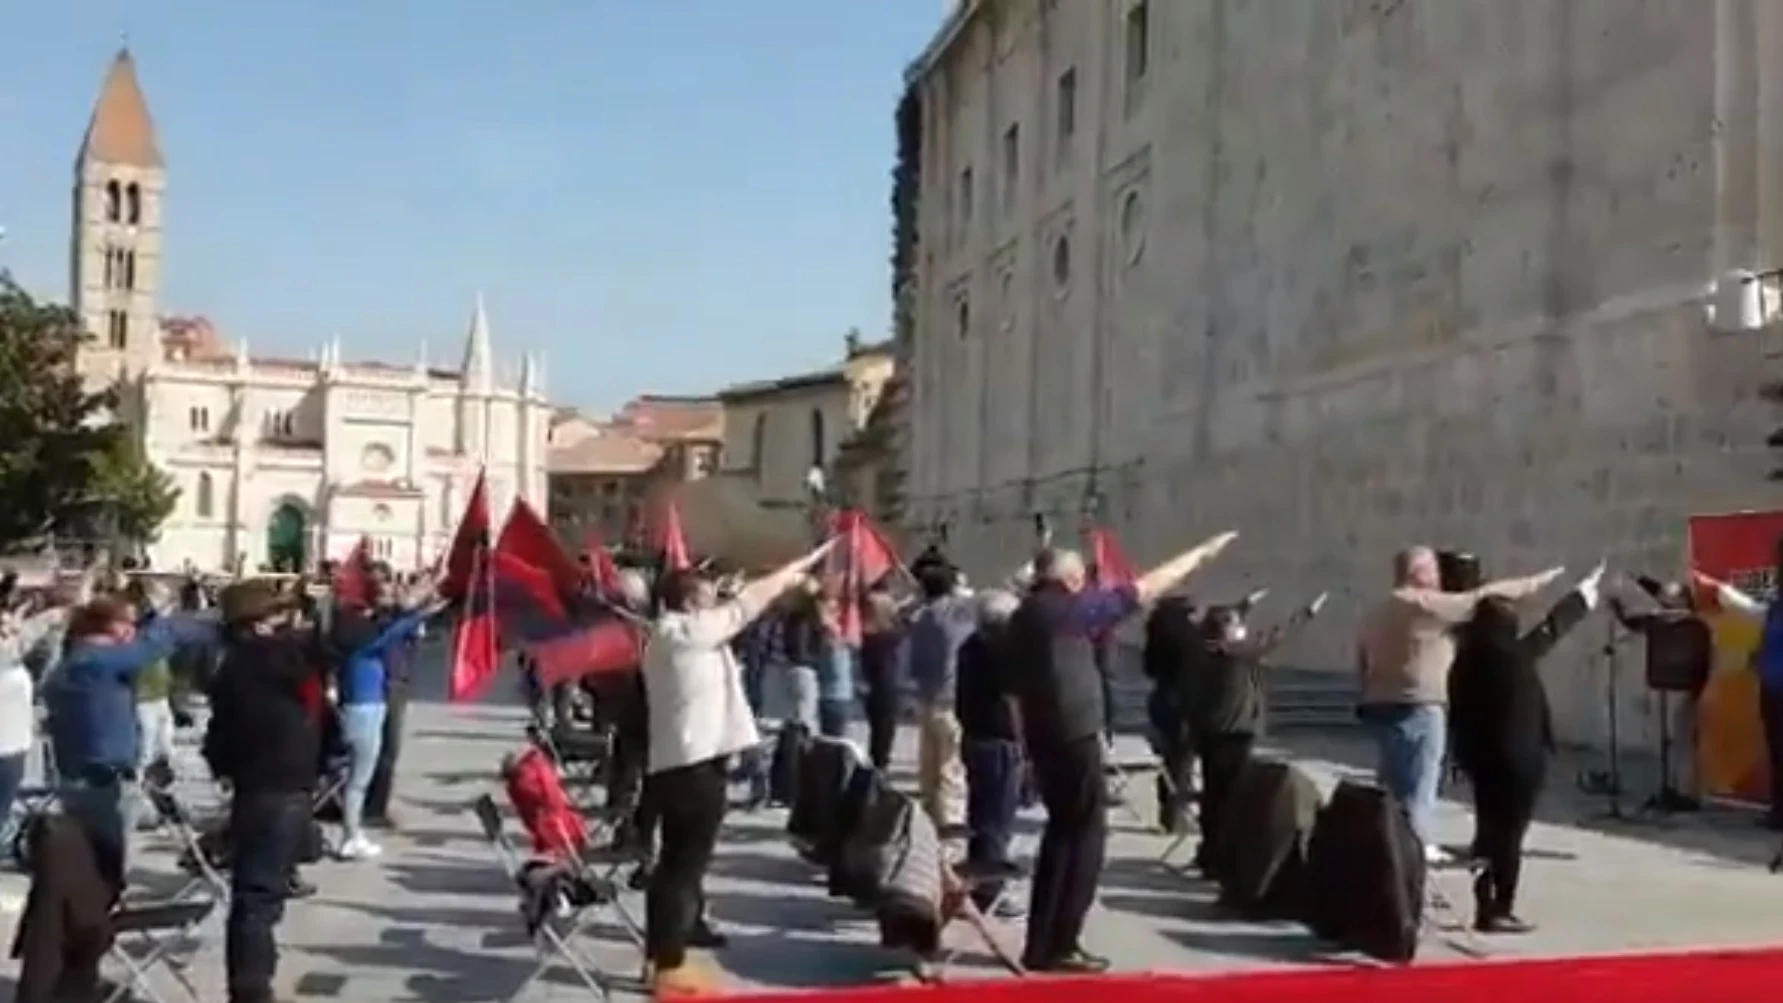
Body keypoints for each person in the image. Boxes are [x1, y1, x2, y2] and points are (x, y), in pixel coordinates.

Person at [1003, 532, 1239, 973]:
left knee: (1061, 835)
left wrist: (1026, 749)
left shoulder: (1024, 616)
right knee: (1085, 837)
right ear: (1072, 580)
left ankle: (1042, 942)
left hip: (1044, 733)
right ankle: (1062, 942)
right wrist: (1200, 554)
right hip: (1074, 732)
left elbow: (1014, 692)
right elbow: (1143, 589)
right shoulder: (1067, 609)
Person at [638, 541, 834, 996]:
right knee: (683, 868)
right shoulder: (681, 633)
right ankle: (668, 964)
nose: (715, 601)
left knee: (677, 866)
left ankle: (662, 957)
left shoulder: (679, 632)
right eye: (707, 596)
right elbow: (744, 606)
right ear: (689, 601)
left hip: (689, 762)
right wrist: (788, 573)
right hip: (692, 766)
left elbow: (736, 610)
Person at [1355, 547, 1564, 862]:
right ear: (1419, 574)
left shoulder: (1378, 611)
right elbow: (1479, 598)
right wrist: (1534, 583)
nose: (1439, 578)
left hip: (1381, 705)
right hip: (1418, 706)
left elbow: (1361, 661)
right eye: (1433, 571)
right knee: (1419, 789)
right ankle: (1413, 857)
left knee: (1394, 785)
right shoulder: (1422, 603)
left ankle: (1388, 851)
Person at [1448, 563, 1601, 933]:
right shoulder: (1511, 657)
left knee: (1489, 830)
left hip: (1481, 759)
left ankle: (1486, 898)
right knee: (1510, 834)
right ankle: (1500, 906)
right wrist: (1582, 597)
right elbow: (1548, 632)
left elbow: (1546, 632)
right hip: (1518, 761)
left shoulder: (1466, 661)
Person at [203, 578, 326, 1003]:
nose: (283, 621)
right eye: (275, 615)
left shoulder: (236, 664)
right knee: (257, 896)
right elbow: (330, 646)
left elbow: (217, 740)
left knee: (260, 894)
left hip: (261, 786)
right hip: (278, 788)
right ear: (255, 624)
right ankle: (251, 990)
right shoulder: (268, 658)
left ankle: (254, 980)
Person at [46, 593, 216, 889]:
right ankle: (93, 920)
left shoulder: (84, 659)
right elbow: (154, 645)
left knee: (103, 860)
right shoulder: (91, 660)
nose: (133, 630)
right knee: (103, 865)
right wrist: (216, 625)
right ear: (108, 626)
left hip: (98, 776)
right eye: (128, 623)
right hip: (96, 780)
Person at [1181, 590, 1326, 870]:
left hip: (1209, 734)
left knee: (1213, 796)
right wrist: (1305, 614)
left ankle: (1208, 855)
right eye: (1238, 625)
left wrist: (1243, 605)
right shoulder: (1237, 655)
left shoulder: (1204, 650)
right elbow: (1274, 637)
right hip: (1235, 735)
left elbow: (1219, 624)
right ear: (1226, 631)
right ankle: (1222, 859)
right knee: (1229, 800)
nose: (1243, 629)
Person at [330, 578, 437, 860]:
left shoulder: (353, 646)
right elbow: (392, 634)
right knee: (358, 781)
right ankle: (351, 836)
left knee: (356, 779)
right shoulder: (363, 647)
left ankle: (352, 833)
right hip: (365, 714)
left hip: (362, 711)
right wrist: (421, 613)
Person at [1691, 552, 1783, 828]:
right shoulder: (1776, 605)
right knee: (1777, 751)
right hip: (1772, 686)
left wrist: (1721, 591)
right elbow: (1759, 618)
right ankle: (1779, 812)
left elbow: (1755, 614)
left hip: (1777, 685)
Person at [955, 588, 1024, 917]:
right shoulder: (1001, 649)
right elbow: (1011, 700)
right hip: (998, 741)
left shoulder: (971, 645)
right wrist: (1025, 740)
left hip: (974, 737)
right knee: (997, 819)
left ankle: (979, 884)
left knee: (981, 816)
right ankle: (990, 889)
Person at [0, 590, 77, 846]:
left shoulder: (18, 664)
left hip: (14, 750)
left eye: (11, 630)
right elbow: (29, 636)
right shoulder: (8, 659)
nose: (9, 635)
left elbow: (41, 646)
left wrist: (56, 619)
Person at [907, 560, 977, 829]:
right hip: (951, 696)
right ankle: (951, 818)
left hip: (925, 695)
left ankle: (929, 811)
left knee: (929, 761)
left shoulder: (921, 616)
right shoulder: (955, 616)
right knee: (951, 763)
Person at [858, 586, 906, 770]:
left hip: (871, 690)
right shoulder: (892, 636)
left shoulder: (866, 637)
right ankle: (879, 772)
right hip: (887, 690)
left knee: (877, 735)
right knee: (884, 736)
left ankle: (875, 768)